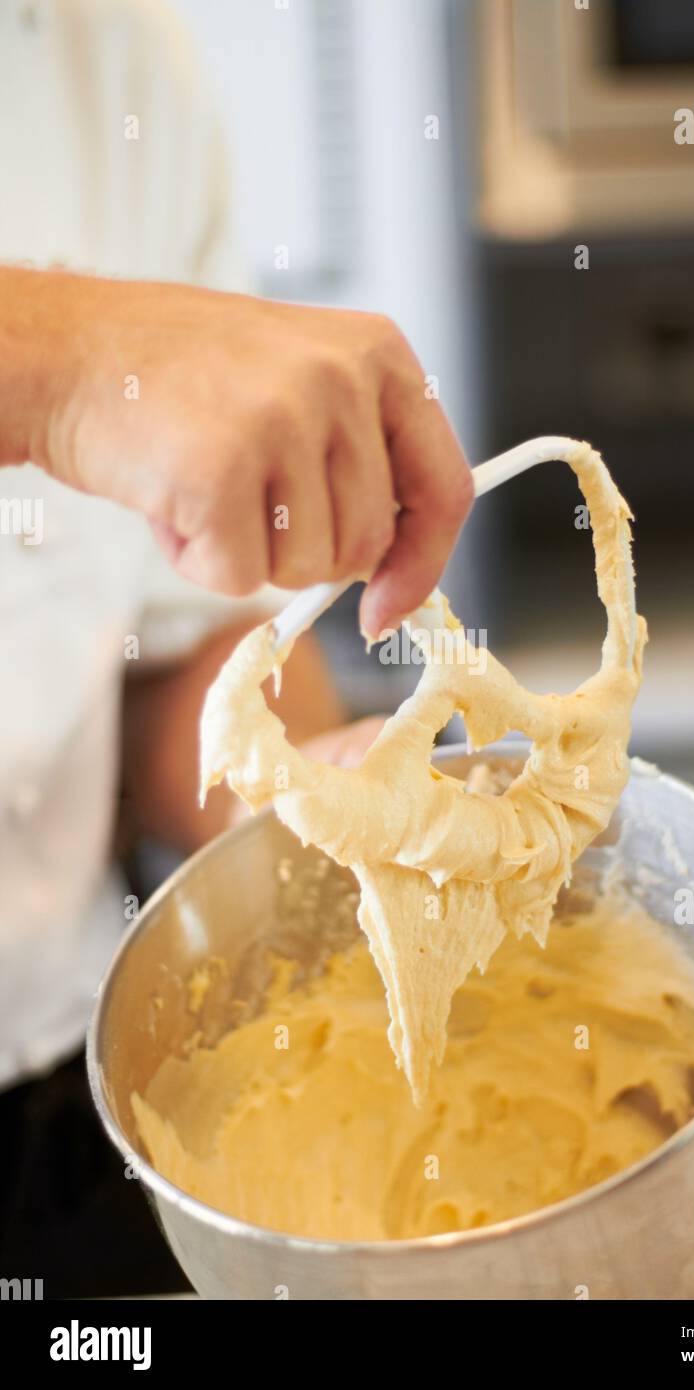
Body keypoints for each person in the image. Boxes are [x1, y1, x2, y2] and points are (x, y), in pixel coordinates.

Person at [0, 0, 471, 1295]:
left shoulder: (110, 52)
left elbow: (166, 656)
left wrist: (302, 793)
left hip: (62, 1109)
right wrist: (62, 358)